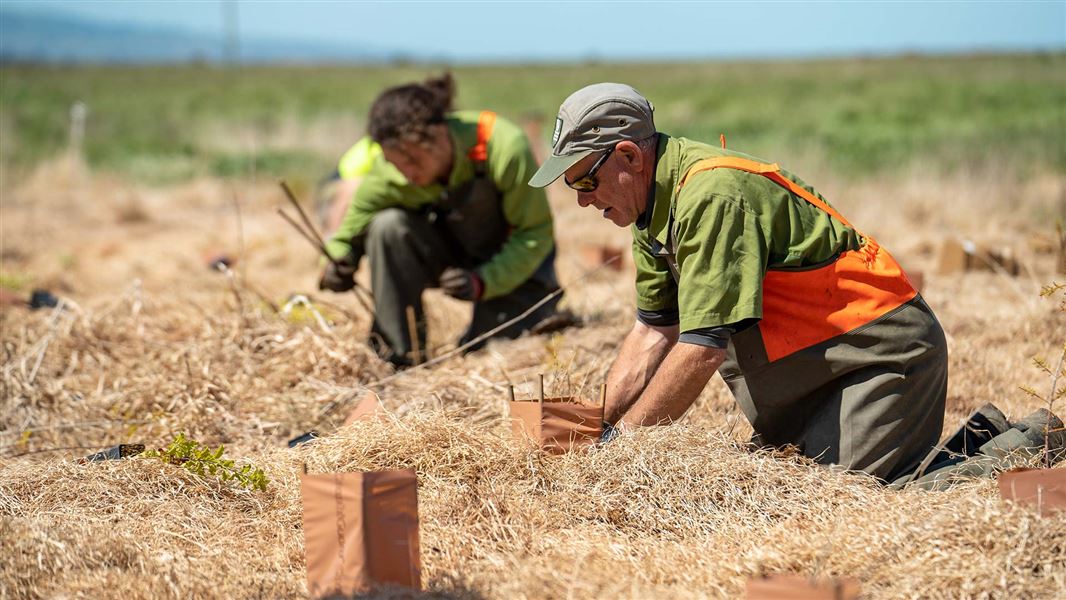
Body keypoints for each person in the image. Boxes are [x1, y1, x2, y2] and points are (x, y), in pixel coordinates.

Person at [528, 82, 1062, 486]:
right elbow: (653, 333)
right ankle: (991, 438)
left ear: (629, 156)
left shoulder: (711, 195)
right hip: (812, 374)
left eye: (583, 179)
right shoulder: (648, 209)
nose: (580, 198)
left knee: (859, 504)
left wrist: (620, 452)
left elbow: (701, 349)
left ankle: (1037, 441)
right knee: (799, 488)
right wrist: (586, 428)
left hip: (878, 357)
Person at [319, 73, 561, 367]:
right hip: (449, 256)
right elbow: (346, 232)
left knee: (488, 355)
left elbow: (534, 233)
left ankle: (538, 313)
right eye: (396, 163)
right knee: (387, 227)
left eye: (413, 161)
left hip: (510, 265)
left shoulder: (502, 145)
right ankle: (399, 357)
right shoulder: (390, 172)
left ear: (439, 137)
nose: (406, 173)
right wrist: (336, 262)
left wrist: (483, 281)